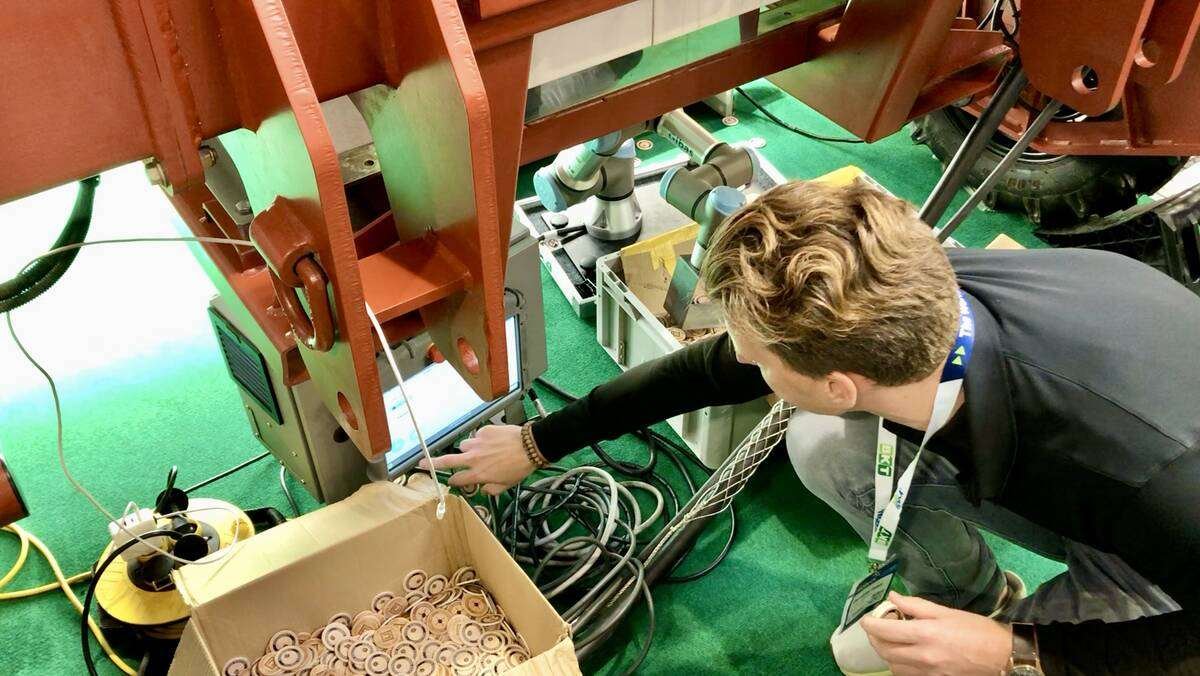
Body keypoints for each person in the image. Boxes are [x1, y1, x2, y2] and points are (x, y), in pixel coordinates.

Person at [421, 179, 1200, 675]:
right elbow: (710, 370)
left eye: (762, 364)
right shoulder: (922, 291)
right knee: (824, 443)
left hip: (1162, 545)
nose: (744, 370)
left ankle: (1010, 627)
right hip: (1079, 453)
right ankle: (976, 594)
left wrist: (1023, 655)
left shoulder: (1151, 481)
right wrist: (538, 441)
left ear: (838, 382)